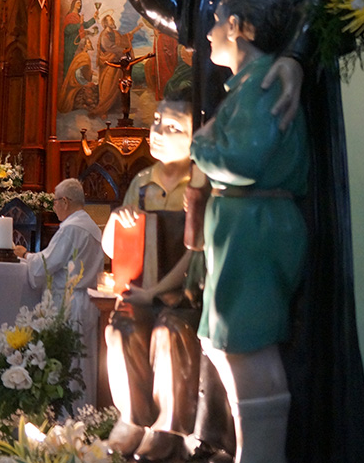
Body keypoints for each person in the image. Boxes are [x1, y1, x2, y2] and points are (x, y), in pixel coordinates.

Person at [101, 0, 364, 461]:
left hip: (280, 120)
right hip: (229, 122)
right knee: (225, 331)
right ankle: (224, 442)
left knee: (276, 326)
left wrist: (298, 56)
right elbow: (189, 17)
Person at [191, 0, 309, 463]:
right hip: (241, 226)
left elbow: (244, 160)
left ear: (237, 26)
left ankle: (262, 454)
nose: (210, 33)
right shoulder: (247, 84)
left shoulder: (263, 83)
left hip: (255, 229)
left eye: (217, 22)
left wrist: (200, 145)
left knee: (247, 344)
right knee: (225, 342)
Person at [103, 93, 220, 462]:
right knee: (121, 326)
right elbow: (113, 247)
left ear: (194, 138)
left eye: (173, 128)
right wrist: (116, 222)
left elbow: (196, 253)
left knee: (170, 331)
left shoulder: (199, 184)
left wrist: (156, 292)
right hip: (144, 289)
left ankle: (169, 427)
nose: (158, 132)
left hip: (186, 293)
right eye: (156, 122)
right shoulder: (141, 182)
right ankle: (132, 418)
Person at [13, 178, 104, 406]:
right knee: (83, 363)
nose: (53, 207)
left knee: (70, 363)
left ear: (65, 201)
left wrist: (24, 254)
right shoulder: (91, 226)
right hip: (86, 301)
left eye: (54, 202)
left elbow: (45, 264)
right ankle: (84, 412)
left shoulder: (72, 228)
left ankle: (69, 417)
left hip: (70, 302)